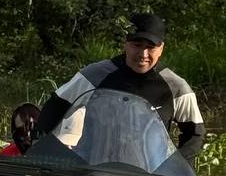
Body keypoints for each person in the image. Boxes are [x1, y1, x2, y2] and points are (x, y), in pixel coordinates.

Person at [36, 12, 205, 161]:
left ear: (161, 48)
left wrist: (175, 167)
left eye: (150, 47)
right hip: (91, 170)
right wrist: (49, 152)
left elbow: (195, 134)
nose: (143, 54)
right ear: (125, 43)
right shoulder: (95, 75)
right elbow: (54, 107)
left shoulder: (176, 86)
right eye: (137, 45)